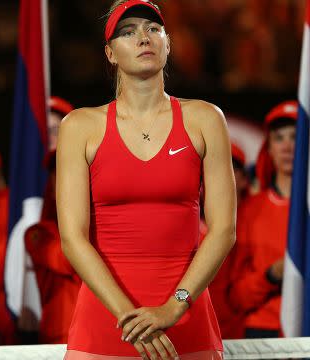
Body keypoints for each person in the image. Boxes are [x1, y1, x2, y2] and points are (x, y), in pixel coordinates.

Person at [57, 1, 235, 359]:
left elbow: (224, 230)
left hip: (185, 319)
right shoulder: (79, 126)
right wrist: (128, 318)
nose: (143, 37)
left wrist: (175, 306)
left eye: (153, 29)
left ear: (168, 44)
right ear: (110, 53)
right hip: (106, 320)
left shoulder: (205, 118)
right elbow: (72, 238)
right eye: (128, 31)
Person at [229, 100, 297, 338]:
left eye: (295, 137)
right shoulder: (250, 211)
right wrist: (270, 276)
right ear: (268, 148)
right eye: (279, 138)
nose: (287, 146)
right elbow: (236, 296)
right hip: (263, 331)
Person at [24, 97, 81, 344]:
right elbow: (75, 263)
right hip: (61, 344)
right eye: (58, 170)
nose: (65, 177)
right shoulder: (39, 234)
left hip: (107, 337)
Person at [206, 142, 249, 339]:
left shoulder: (254, 217)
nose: (223, 175)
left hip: (242, 328)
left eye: (232, 168)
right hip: (199, 323)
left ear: (244, 179)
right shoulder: (188, 225)